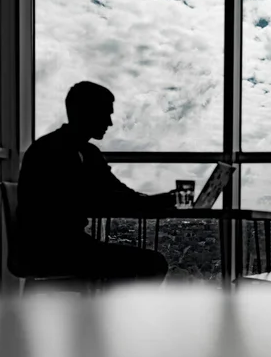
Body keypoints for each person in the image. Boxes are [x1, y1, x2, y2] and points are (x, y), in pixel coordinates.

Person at [17, 81, 176, 288]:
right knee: (151, 264)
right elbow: (102, 197)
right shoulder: (59, 152)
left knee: (146, 264)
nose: (110, 122)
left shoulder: (64, 149)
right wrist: (152, 202)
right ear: (86, 112)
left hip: (55, 247)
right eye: (105, 113)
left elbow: (115, 192)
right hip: (52, 250)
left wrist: (151, 200)